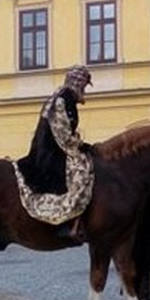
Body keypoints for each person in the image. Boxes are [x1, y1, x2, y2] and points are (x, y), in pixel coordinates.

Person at [16, 65, 94, 241]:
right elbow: (63, 134)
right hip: (51, 153)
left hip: (56, 148)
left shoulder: (64, 98)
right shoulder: (62, 100)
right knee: (82, 172)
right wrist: (81, 146)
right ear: (77, 84)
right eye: (84, 86)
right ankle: (68, 224)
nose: (85, 91)